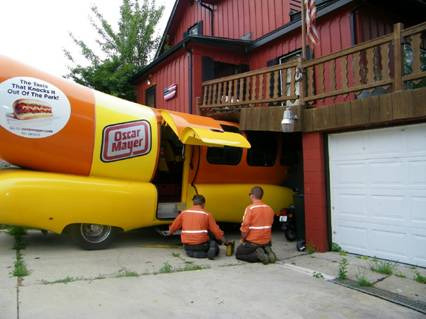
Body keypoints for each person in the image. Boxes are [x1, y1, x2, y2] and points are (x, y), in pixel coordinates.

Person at [168, 194, 225, 259]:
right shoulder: (207, 214)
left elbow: (174, 226)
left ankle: (193, 253)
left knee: (191, 250)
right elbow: (216, 231)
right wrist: (224, 241)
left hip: (187, 246)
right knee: (214, 244)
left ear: (193, 203)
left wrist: (170, 232)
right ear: (203, 204)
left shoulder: (184, 213)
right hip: (201, 245)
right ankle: (209, 250)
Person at [235, 186, 278, 264]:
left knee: (239, 253)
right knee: (261, 245)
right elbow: (270, 224)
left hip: (254, 242)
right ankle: (267, 250)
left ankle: (257, 255)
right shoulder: (269, 208)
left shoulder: (250, 209)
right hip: (266, 241)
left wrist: (243, 239)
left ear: (252, 195)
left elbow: (245, 227)